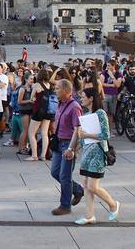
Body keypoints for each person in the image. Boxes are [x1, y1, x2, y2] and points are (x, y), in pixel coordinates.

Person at [73, 88, 120, 225]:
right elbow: (84, 139)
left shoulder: (100, 113)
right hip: (87, 153)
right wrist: (78, 144)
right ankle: (89, 215)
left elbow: (105, 135)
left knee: (93, 186)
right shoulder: (87, 114)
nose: (81, 99)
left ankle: (113, 204)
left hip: (98, 153)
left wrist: (87, 135)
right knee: (86, 186)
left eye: (83, 97)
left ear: (91, 98)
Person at [50, 79, 85, 216]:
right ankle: (77, 190)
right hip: (59, 143)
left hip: (68, 144)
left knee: (65, 176)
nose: (55, 90)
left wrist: (72, 149)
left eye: (57, 88)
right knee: (55, 172)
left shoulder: (74, 106)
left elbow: (78, 130)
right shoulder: (60, 104)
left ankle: (65, 206)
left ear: (66, 90)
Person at [26, 69, 54, 161]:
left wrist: (33, 98)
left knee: (31, 133)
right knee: (44, 134)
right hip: (48, 112)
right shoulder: (49, 85)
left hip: (38, 112)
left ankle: (34, 155)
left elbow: (31, 99)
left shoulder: (37, 85)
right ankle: (43, 155)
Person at [17, 73, 35, 155]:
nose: (32, 80)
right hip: (24, 111)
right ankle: (21, 148)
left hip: (30, 110)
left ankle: (26, 146)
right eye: (30, 79)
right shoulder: (23, 88)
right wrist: (29, 101)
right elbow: (19, 101)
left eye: (33, 79)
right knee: (25, 130)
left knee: (29, 130)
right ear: (26, 79)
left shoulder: (32, 88)